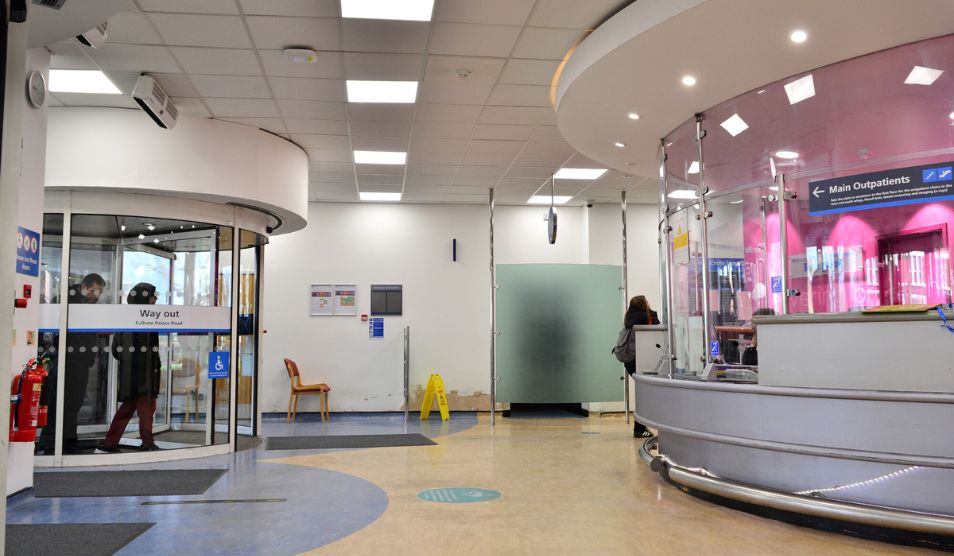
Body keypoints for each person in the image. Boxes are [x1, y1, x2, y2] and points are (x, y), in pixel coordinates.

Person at [37, 273, 106, 454]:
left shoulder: (86, 304)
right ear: (84, 287)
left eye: (99, 292)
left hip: (80, 361)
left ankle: (67, 438)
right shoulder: (67, 301)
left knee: (74, 402)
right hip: (65, 360)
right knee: (59, 402)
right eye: (94, 290)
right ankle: (52, 440)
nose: (96, 295)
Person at [97, 283, 162, 452]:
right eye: (153, 296)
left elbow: (115, 350)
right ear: (144, 298)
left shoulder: (125, 318)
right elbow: (149, 352)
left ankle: (110, 442)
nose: (155, 300)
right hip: (145, 377)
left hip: (129, 377)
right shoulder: (148, 319)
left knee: (126, 410)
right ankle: (147, 443)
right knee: (146, 410)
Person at [623, 295, 658, 438]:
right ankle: (639, 428)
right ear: (644, 304)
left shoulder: (628, 318)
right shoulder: (647, 316)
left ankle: (640, 426)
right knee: (645, 394)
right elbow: (658, 329)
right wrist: (652, 313)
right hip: (643, 360)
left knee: (643, 392)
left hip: (630, 361)